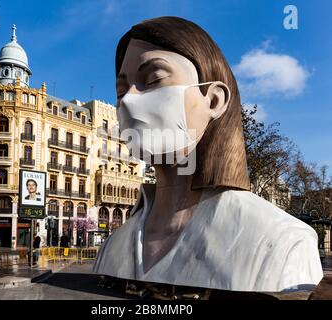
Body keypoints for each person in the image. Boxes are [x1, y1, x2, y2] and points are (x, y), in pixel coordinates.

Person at [93, 16, 323, 292]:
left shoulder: (282, 242)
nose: (128, 100)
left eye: (153, 79)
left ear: (213, 100)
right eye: (121, 91)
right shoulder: (113, 248)